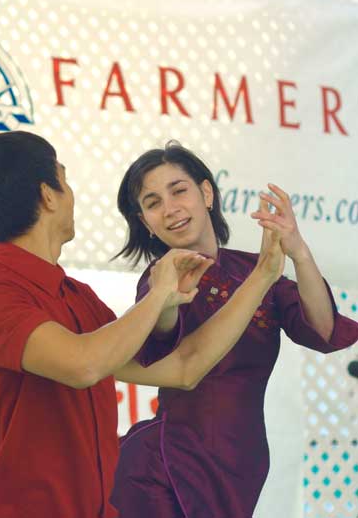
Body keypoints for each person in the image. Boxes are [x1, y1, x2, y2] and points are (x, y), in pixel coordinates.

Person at [0, 131, 286, 518]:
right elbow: (83, 365)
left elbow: (185, 368)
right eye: (64, 180)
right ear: (48, 195)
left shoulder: (79, 298)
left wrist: (263, 275)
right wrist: (158, 294)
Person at [111, 142, 358, 518]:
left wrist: (298, 252)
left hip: (241, 461)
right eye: (153, 202)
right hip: (165, 463)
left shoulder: (257, 270)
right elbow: (164, 347)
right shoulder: (160, 279)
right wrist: (165, 302)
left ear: (206, 193)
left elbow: (323, 330)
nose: (170, 209)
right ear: (146, 222)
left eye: (179, 191)